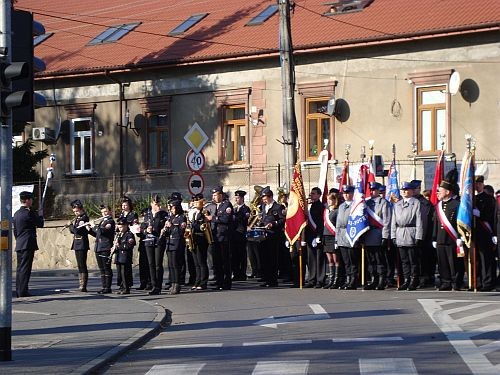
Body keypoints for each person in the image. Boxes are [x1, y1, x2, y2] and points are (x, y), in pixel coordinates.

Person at [391, 182, 423, 291]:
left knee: (412, 259)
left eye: (407, 190)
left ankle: (414, 280)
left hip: (411, 232)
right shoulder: (397, 204)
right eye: (403, 190)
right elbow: (393, 221)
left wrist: (418, 236)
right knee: (404, 260)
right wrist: (393, 236)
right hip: (400, 233)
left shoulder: (416, 203)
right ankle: (406, 280)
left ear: (411, 191)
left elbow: (419, 220)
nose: (404, 192)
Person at [13, 191, 44, 298]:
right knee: (25, 268)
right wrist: (40, 214)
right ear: (26, 200)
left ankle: (19, 289)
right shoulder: (29, 213)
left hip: (20, 243)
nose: (32, 201)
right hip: (28, 244)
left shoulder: (16, 214)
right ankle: (23, 291)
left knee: (20, 268)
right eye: (30, 199)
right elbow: (40, 224)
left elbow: (15, 231)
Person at [433, 178, 461, 291]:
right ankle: (445, 282)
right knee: (442, 262)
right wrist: (434, 238)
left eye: (440, 190)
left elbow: (460, 223)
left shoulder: (456, 205)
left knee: (454, 262)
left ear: (448, 192)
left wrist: (460, 237)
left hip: (452, 239)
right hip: (440, 239)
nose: (437, 193)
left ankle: (456, 282)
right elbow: (435, 222)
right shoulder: (438, 206)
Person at [363, 182, 391, 290]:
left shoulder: (383, 203)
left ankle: (381, 280)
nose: (372, 191)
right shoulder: (366, 203)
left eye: (374, 189)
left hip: (378, 233)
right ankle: (374, 279)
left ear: (379, 190)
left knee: (379, 259)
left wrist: (385, 236)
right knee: (371, 260)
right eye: (371, 189)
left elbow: (387, 221)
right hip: (368, 234)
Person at [206, 186, 234, 290]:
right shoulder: (213, 206)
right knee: (217, 261)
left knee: (225, 261)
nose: (213, 197)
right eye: (212, 195)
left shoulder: (227, 205)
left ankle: (227, 282)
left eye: (215, 195)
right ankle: (219, 281)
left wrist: (212, 218)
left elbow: (226, 219)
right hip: (215, 237)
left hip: (224, 237)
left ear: (220, 195)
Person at [474, 175, 497, 291]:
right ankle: (476, 282)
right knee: (476, 259)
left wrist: (480, 215)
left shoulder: (489, 199)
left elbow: (491, 216)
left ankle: (487, 283)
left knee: (486, 259)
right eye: (475, 183)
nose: (477, 185)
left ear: (482, 184)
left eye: (479, 183)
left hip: (485, 233)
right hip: (474, 233)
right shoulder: (471, 198)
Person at [258, 186, 286, 287]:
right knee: (264, 258)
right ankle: (267, 278)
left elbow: (283, 220)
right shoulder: (263, 206)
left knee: (272, 258)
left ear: (270, 197)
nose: (263, 200)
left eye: (265, 198)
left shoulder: (278, 207)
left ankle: (273, 280)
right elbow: (262, 218)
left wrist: (273, 224)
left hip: (274, 236)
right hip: (264, 236)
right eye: (263, 198)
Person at [411, 180, 436, 288]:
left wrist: (421, 236)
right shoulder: (409, 201)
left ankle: (426, 278)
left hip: (423, 236)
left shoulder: (424, 203)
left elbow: (425, 221)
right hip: (410, 235)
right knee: (414, 259)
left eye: (416, 188)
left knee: (424, 259)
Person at [142, 194, 169, 295]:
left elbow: (164, 227)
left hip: (159, 241)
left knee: (158, 264)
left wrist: (158, 213)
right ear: (151, 204)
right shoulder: (147, 215)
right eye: (155, 203)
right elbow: (142, 227)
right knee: (151, 264)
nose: (157, 205)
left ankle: (158, 286)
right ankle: (153, 285)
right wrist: (146, 230)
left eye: (158, 203)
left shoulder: (162, 214)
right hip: (149, 241)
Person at [335, 185, 360, 289]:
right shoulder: (341, 206)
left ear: (352, 194)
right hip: (341, 235)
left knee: (352, 260)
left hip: (351, 234)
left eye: (348, 193)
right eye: (344, 193)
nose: (346, 195)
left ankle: (354, 280)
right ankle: (348, 279)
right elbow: (338, 223)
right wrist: (336, 239)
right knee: (346, 261)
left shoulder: (356, 206)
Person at [88, 204, 116, 294]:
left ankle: (108, 287)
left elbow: (103, 231)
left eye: (106, 212)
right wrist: (89, 230)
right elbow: (98, 234)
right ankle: (104, 287)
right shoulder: (102, 221)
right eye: (102, 212)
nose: (104, 214)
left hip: (106, 247)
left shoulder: (110, 221)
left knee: (106, 267)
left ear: (110, 212)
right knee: (101, 269)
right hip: (99, 247)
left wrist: (94, 226)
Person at [304, 187, 326, 288]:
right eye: (311, 194)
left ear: (318, 195)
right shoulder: (309, 206)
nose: (311, 195)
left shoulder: (321, 207)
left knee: (319, 258)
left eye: (313, 194)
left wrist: (318, 236)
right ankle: (311, 279)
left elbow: (321, 223)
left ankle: (320, 280)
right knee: (311, 258)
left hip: (317, 235)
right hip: (309, 235)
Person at [322, 190, 343, 289]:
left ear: (335, 200)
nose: (329, 201)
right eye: (328, 200)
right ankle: (331, 280)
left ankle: (336, 280)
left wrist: (337, 239)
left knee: (336, 259)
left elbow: (338, 225)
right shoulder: (326, 211)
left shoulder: (337, 210)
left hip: (333, 236)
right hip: (326, 236)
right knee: (329, 259)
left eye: (330, 200)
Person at [164, 202, 187, 295]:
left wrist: (172, 226)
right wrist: (165, 229)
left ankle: (177, 284)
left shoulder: (182, 217)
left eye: (173, 208)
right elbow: (168, 232)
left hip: (177, 243)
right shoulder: (171, 217)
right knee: (171, 265)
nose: (172, 210)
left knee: (175, 264)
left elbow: (181, 231)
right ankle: (172, 283)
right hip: (170, 243)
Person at [116, 196, 138, 290]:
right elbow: (119, 225)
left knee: (125, 267)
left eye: (126, 205)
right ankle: (121, 284)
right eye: (123, 205)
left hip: (127, 236)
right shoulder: (121, 214)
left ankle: (126, 285)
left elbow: (133, 226)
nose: (124, 207)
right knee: (119, 267)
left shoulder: (132, 214)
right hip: (121, 236)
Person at [68, 199, 90, 292]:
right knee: (79, 265)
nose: (75, 213)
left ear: (80, 209)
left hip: (82, 243)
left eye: (77, 211)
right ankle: (80, 284)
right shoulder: (78, 218)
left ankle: (83, 285)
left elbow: (77, 230)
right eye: (74, 211)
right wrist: (71, 227)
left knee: (82, 264)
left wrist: (70, 225)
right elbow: (73, 231)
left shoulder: (84, 218)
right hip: (77, 243)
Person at [189, 194, 210, 290]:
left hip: (201, 238)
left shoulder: (204, 212)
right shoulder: (194, 213)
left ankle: (203, 282)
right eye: (195, 201)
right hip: (194, 239)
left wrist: (193, 226)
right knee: (196, 262)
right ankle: (197, 281)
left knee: (202, 261)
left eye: (198, 202)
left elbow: (202, 226)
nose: (196, 203)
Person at [113, 217, 136, 294]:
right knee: (120, 273)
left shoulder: (129, 235)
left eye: (121, 227)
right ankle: (122, 287)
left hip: (125, 257)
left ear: (126, 226)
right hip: (119, 256)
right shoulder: (119, 234)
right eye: (119, 227)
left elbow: (129, 245)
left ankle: (126, 288)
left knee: (125, 273)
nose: (120, 229)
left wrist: (119, 246)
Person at [232, 190, 251, 281]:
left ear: (242, 198)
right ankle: (236, 273)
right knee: (235, 255)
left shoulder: (246, 209)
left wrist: (235, 216)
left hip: (242, 234)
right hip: (235, 234)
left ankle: (242, 274)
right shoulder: (234, 209)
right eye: (235, 198)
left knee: (242, 255)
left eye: (238, 198)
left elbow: (243, 219)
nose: (236, 199)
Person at [136, 208, 152, 290]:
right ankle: (143, 282)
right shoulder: (143, 223)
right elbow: (140, 234)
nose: (144, 216)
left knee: (148, 265)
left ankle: (149, 283)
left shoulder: (150, 222)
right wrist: (138, 231)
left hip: (148, 244)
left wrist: (144, 231)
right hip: (142, 245)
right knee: (142, 265)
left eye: (145, 214)